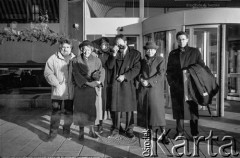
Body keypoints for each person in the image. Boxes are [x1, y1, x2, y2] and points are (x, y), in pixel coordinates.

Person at [166, 31, 206, 138]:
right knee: (179, 110)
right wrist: (172, 83)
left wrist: (191, 72)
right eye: (179, 39)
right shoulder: (173, 53)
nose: (181, 41)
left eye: (183, 39)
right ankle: (179, 132)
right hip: (177, 86)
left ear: (187, 39)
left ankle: (194, 133)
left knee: (193, 110)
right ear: (177, 40)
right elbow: (169, 70)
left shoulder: (195, 52)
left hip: (191, 86)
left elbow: (201, 66)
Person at [107, 34, 141, 138]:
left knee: (129, 108)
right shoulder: (114, 53)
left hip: (128, 83)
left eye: (120, 43)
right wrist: (113, 54)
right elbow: (110, 66)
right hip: (116, 84)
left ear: (125, 42)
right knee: (116, 108)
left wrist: (125, 76)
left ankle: (129, 129)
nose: (118, 45)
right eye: (116, 44)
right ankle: (116, 129)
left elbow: (137, 68)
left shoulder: (135, 53)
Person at [137, 41, 170, 145]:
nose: (150, 51)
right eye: (148, 49)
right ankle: (149, 133)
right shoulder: (142, 61)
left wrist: (149, 81)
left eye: (152, 49)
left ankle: (164, 134)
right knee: (146, 112)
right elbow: (138, 73)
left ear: (155, 50)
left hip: (155, 90)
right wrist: (141, 79)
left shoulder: (160, 60)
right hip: (143, 90)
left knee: (158, 112)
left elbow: (161, 74)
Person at [72, 40, 105, 140]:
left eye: (88, 49)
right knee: (80, 109)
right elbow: (76, 74)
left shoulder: (96, 60)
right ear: (81, 49)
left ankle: (92, 131)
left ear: (91, 49)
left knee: (91, 110)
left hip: (92, 89)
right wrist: (87, 83)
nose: (86, 51)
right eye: (84, 49)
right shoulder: (76, 60)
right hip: (81, 87)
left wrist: (99, 81)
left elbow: (102, 70)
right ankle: (81, 132)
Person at [44, 39, 75, 140]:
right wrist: (56, 83)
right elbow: (48, 73)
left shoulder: (74, 58)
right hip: (58, 91)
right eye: (63, 47)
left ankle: (66, 131)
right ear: (60, 48)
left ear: (71, 48)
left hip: (70, 91)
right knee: (55, 113)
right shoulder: (53, 58)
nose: (65, 49)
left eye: (67, 47)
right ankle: (52, 133)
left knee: (69, 112)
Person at [95, 37, 113, 133]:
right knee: (101, 102)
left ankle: (115, 125)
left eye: (106, 44)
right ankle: (100, 124)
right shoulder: (97, 55)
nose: (105, 46)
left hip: (111, 81)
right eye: (103, 44)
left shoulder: (111, 54)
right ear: (100, 46)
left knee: (111, 103)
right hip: (101, 81)